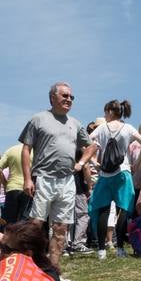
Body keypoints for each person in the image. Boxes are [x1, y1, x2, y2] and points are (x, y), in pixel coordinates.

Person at [20, 82, 90, 271]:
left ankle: (52, 272)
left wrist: (81, 163)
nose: (69, 99)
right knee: (35, 226)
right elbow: (26, 148)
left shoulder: (75, 123)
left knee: (61, 228)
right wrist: (27, 179)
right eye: (65, 96)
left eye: (71, 97)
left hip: (67, 181)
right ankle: (29, 270)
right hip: (42, 178)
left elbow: (91, 146)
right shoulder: (38, 119)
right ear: (52, 97)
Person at [79, 99, 141, 259]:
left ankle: (101, 250)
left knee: (103, 209)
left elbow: (85, 143)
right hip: (123, 171)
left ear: (109, 111)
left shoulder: (101, 128)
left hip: (105, 173)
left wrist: (94, 162)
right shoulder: (128, 128)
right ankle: (120, 248)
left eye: (105, 112)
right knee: (123, 209)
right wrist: (136, 163)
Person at [0, 142, 30, 224]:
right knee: (24, 222)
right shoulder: (32, 151)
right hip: (28, 189)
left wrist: (5, 184)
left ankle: (8, 236)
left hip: (11, 188)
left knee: (9, 222)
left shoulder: (10, 150)